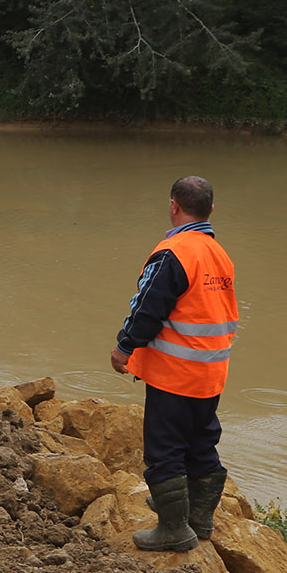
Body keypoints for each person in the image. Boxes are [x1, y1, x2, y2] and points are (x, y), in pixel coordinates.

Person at [109, 175, 239, 553]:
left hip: (174, 373)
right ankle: (198, 518)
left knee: (164, 449)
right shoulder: (220, 254)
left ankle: (173, 529)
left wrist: (124, 346)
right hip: (211, 372)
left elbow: (148, 307)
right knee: (201, 443)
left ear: (173, 206)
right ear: (211, 210)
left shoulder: (174, 252)